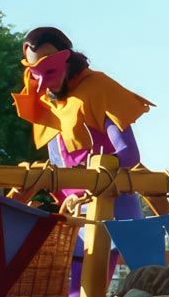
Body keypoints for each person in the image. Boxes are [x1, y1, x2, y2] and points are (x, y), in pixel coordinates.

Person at [12, 26, 153, 220]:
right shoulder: (45, 102)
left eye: (50, 70)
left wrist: (93, 170)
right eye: (36, 74)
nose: (43, 83)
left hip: (112, 210)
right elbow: (58, 165)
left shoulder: (97, 88)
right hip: (72, 216)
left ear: (68, 60)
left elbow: (129, 154)